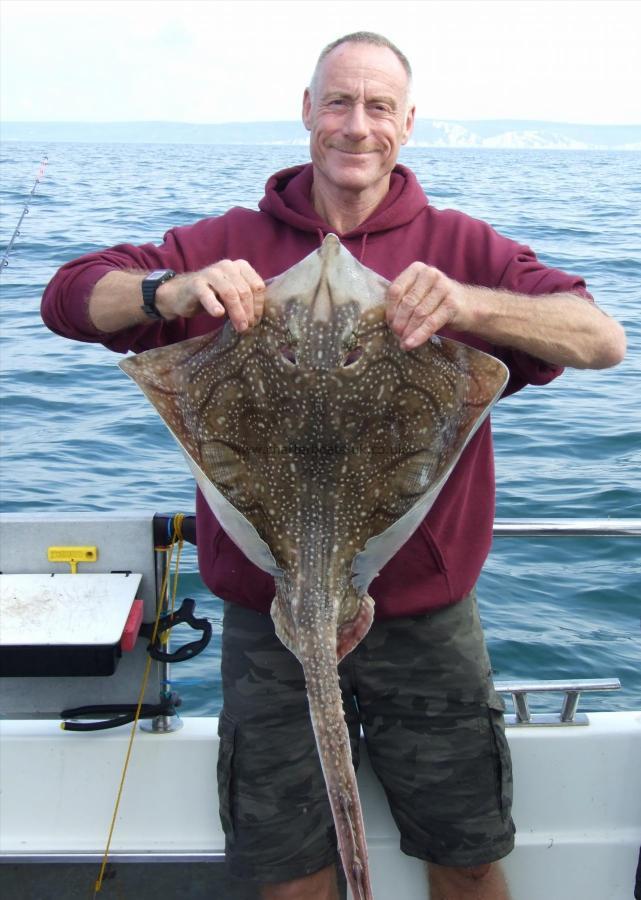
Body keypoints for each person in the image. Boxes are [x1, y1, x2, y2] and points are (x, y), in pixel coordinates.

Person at [42, 31, 625, 900]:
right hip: (267, 609)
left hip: (425, 622)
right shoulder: (228, 238)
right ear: (307, 112)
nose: (357, 125)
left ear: (408, 123)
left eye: (378, 106)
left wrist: (468, 305)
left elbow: (600, 338)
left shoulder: (460, 246)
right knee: (289, 874)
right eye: (339, 103)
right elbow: (68, 298)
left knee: (465, 857)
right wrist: (176, 287)